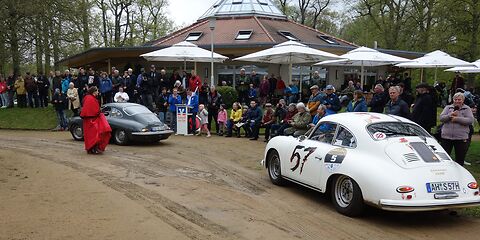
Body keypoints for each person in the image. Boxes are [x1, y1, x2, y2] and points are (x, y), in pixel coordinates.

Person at [439, 92, 474, 166]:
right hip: (446, 137)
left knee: (460, 159)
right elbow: (441, 118)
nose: (457, 101)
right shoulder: (448, 107)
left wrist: (457, 119)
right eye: (455, 99)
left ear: (463, 100)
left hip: (460, 138)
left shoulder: (467, 108)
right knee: (444, 158)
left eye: (459, 99)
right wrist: (449, 115)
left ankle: (459, 174)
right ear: (453, 100)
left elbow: (470, 120)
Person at [80, 86, 112, 154]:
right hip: (91, 120)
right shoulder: (91, 99)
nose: (98, 92)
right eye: (97, 91)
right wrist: (99, 112)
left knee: (92, 135)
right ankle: (93, 148)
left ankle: (93, 148)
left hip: (90, 120)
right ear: (94, 92)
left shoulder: (88, 98)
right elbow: (93, 110)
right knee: (95, 135)